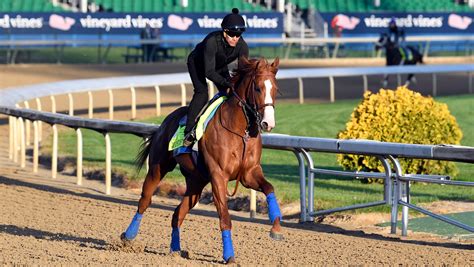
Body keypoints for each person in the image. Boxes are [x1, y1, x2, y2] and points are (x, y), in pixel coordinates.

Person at [182, 8, 249, 147]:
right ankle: (188, 131)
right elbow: (209, 72)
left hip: (219, 65)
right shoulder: (212, 41)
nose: (235, 38)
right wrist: (226, 82)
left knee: (231, 94)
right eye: (232, 34)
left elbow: (242, 72)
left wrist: (233, 85)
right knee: (202, 93)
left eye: (238, 34)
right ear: (224, 32)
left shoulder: (242, 46)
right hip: (198, 63)